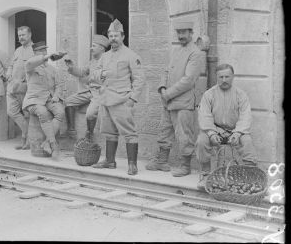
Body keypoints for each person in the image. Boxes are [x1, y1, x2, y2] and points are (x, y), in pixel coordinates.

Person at [146, 21, 202, 176]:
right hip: (168, 101)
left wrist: (168, 93)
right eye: (179, 32)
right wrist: (162, 88)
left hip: (183, 103)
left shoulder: (195, 53)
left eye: (184, 33)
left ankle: (185, 166)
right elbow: (166, 71)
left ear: (191, 33)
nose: (181, 36)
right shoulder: (176, 51)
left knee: (184, 135)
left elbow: (189, 80)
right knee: (164, 132)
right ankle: (161, 161)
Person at [92, 19, 145, 175]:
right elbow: (94, 75)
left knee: (129, 133)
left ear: (122, 36)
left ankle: (132, 164)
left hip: (122, 100)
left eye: (116, 35)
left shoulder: (131, 55)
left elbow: (139, 79)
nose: (113, 38)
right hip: (106, 99)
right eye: (110, 35)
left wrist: (132, 99)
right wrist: (100, 74)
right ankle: (110, 161)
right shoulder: (105, 56)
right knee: (109, 132)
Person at [196, 64, 258, 191]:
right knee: (201, 141)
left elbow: (245, 116)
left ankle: (249, 175)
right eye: (221, 77)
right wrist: (212, 133)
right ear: (217, 78)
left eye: (227, 76)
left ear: (233, 77)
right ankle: (206, 175)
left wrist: (238, 133)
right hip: (215, 130)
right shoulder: (209, 95)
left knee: (247, 141)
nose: (224, 80)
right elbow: (205, 116)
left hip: (235, 131)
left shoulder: (241, 95)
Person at [23, 41, 66, 161]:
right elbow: (31, 62)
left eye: (45, 50)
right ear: (35, 54)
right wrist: (48, 56)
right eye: (40, 51)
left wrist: (57, 96)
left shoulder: (52, 69)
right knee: (43, 112)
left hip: (49, 98)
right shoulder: (30, 66)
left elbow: (59, 85)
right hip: (33, 100)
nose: (44, 53)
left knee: (60, 111)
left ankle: (47, 142)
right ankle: (53, 144)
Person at [63, 34, 110, 143]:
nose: (91, 48)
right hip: (89, 92)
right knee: (68, 101)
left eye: (93, 46)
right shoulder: (92, 61)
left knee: (90, 113)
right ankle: (71, 130)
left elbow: (104, 78)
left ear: (102, 48)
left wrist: (90, 79)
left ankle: (89, 132)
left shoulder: (108, 61)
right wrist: (71, 67)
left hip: (99, 93)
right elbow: (81, 73)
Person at [6, 25, 34, 150]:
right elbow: (11, 65)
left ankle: (26, 141)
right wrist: (8, 72)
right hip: (13, 87)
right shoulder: (17, 50)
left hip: (25, 87)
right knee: (11, 111)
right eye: (19, 36)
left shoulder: (34, 51)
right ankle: (27, 135)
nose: (21, 38)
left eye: (23, 35)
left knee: (27, 115)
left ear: (30, 35)